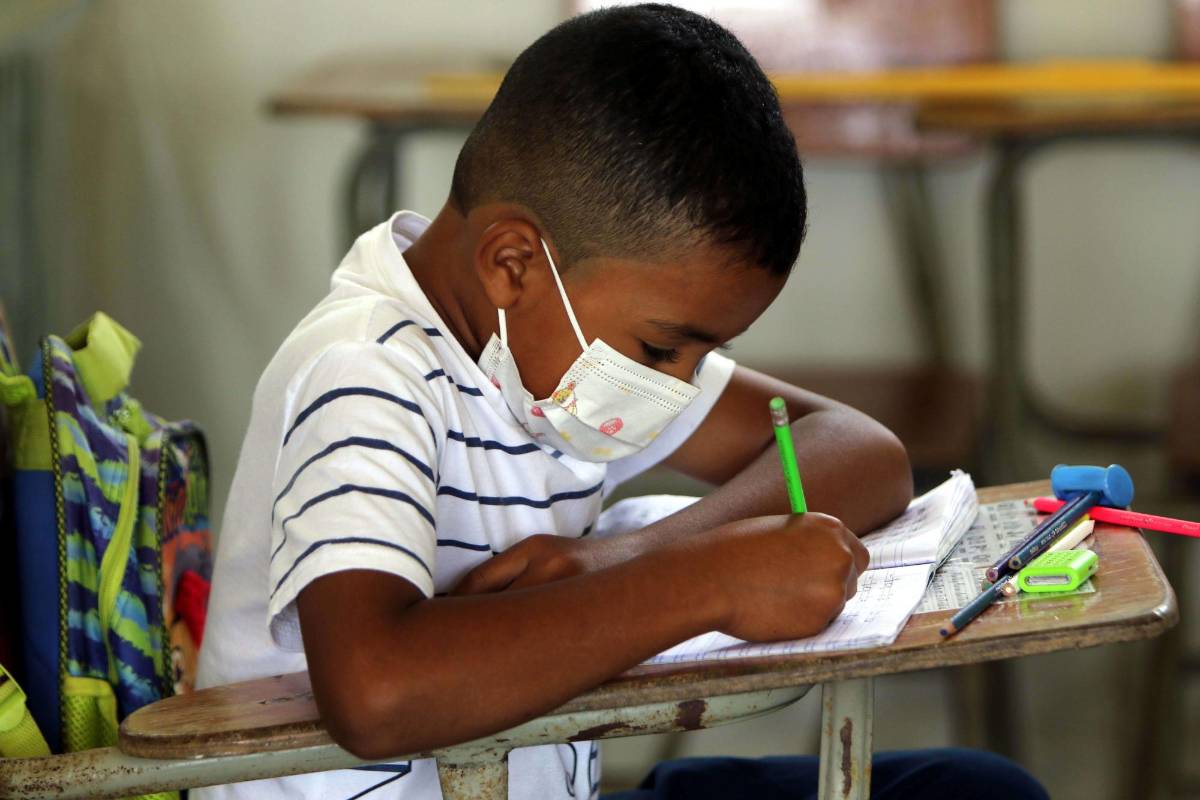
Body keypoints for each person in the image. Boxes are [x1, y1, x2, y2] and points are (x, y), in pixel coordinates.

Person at [195, 5, 1047, 798]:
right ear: (512, 263)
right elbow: (374, 692)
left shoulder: (542, 350)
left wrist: (624, 558)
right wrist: (707, 582)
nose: (678, 384)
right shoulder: (364, 372)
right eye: (664, 350)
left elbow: (863, 453)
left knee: (971, 791)